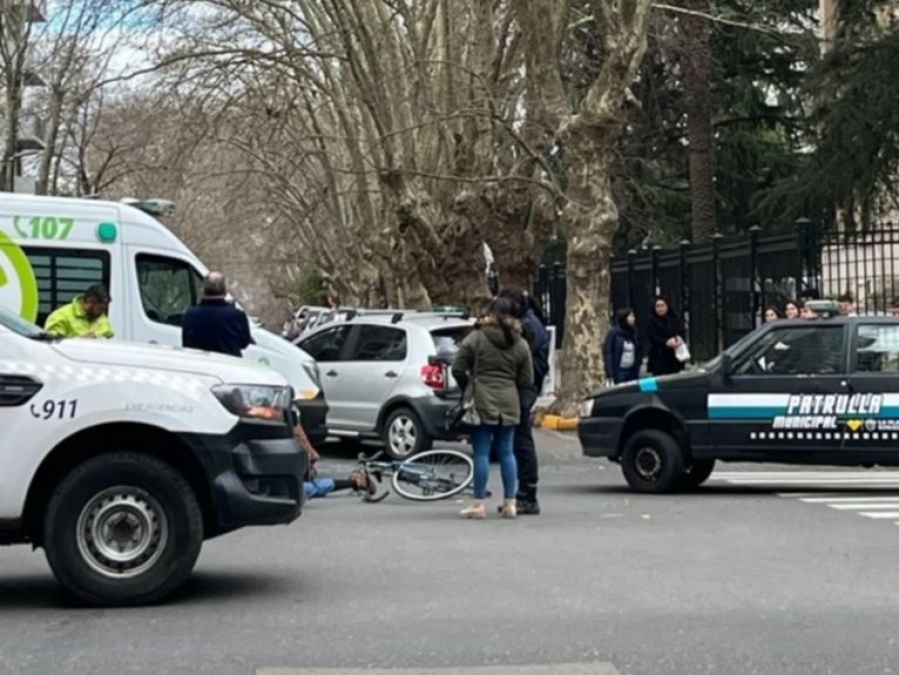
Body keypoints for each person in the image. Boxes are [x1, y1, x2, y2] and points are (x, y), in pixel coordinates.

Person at [452, 297, 533, 520]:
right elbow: (527, 379)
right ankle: (510, 503)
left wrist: (468, 387)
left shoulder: (476, 337)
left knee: (481, 453)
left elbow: (457, 367)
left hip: (481, 398)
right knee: (507, 451)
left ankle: (478, 504)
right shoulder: (521, 343)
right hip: (509, 399)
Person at [493, 288, 550, 516]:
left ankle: (527, 494)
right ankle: (523, 493)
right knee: (519, 440)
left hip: (525, 387)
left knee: (521, 440)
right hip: (528, 385)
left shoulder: (528, 327)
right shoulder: (530, 321)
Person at [182, 271, 252, 357]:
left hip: (199, 366)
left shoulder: (190, 315)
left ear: (203, 290)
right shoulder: (236, 316)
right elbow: (244, 343)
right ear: (225, 290)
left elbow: (186, 344)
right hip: (229, 366)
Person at [44, 284, 114, 338]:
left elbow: (109, 337)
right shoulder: (60, 316)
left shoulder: (101, 318)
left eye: (104, 309)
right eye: (100, 309)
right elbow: (53, 345)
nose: (102, 313)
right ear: (88, 302)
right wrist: (80, 341)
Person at [646, 295, 686, 376]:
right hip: (659, 356)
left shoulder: (673, 318)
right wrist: (665, 342)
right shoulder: (651, 321)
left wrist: (677, 339)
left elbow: (681, 331)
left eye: (662, 306)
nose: (660, 309)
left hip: (674, 355)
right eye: (657, 306)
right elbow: (652, 336)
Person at [603, 307, 642, 384]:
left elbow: (639, 350)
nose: (633, 319)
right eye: (630, 316)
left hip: (632, 370)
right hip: (620, 371)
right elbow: (609, 353)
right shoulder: (614, 333)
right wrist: (610, 373)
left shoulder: (634, 333)